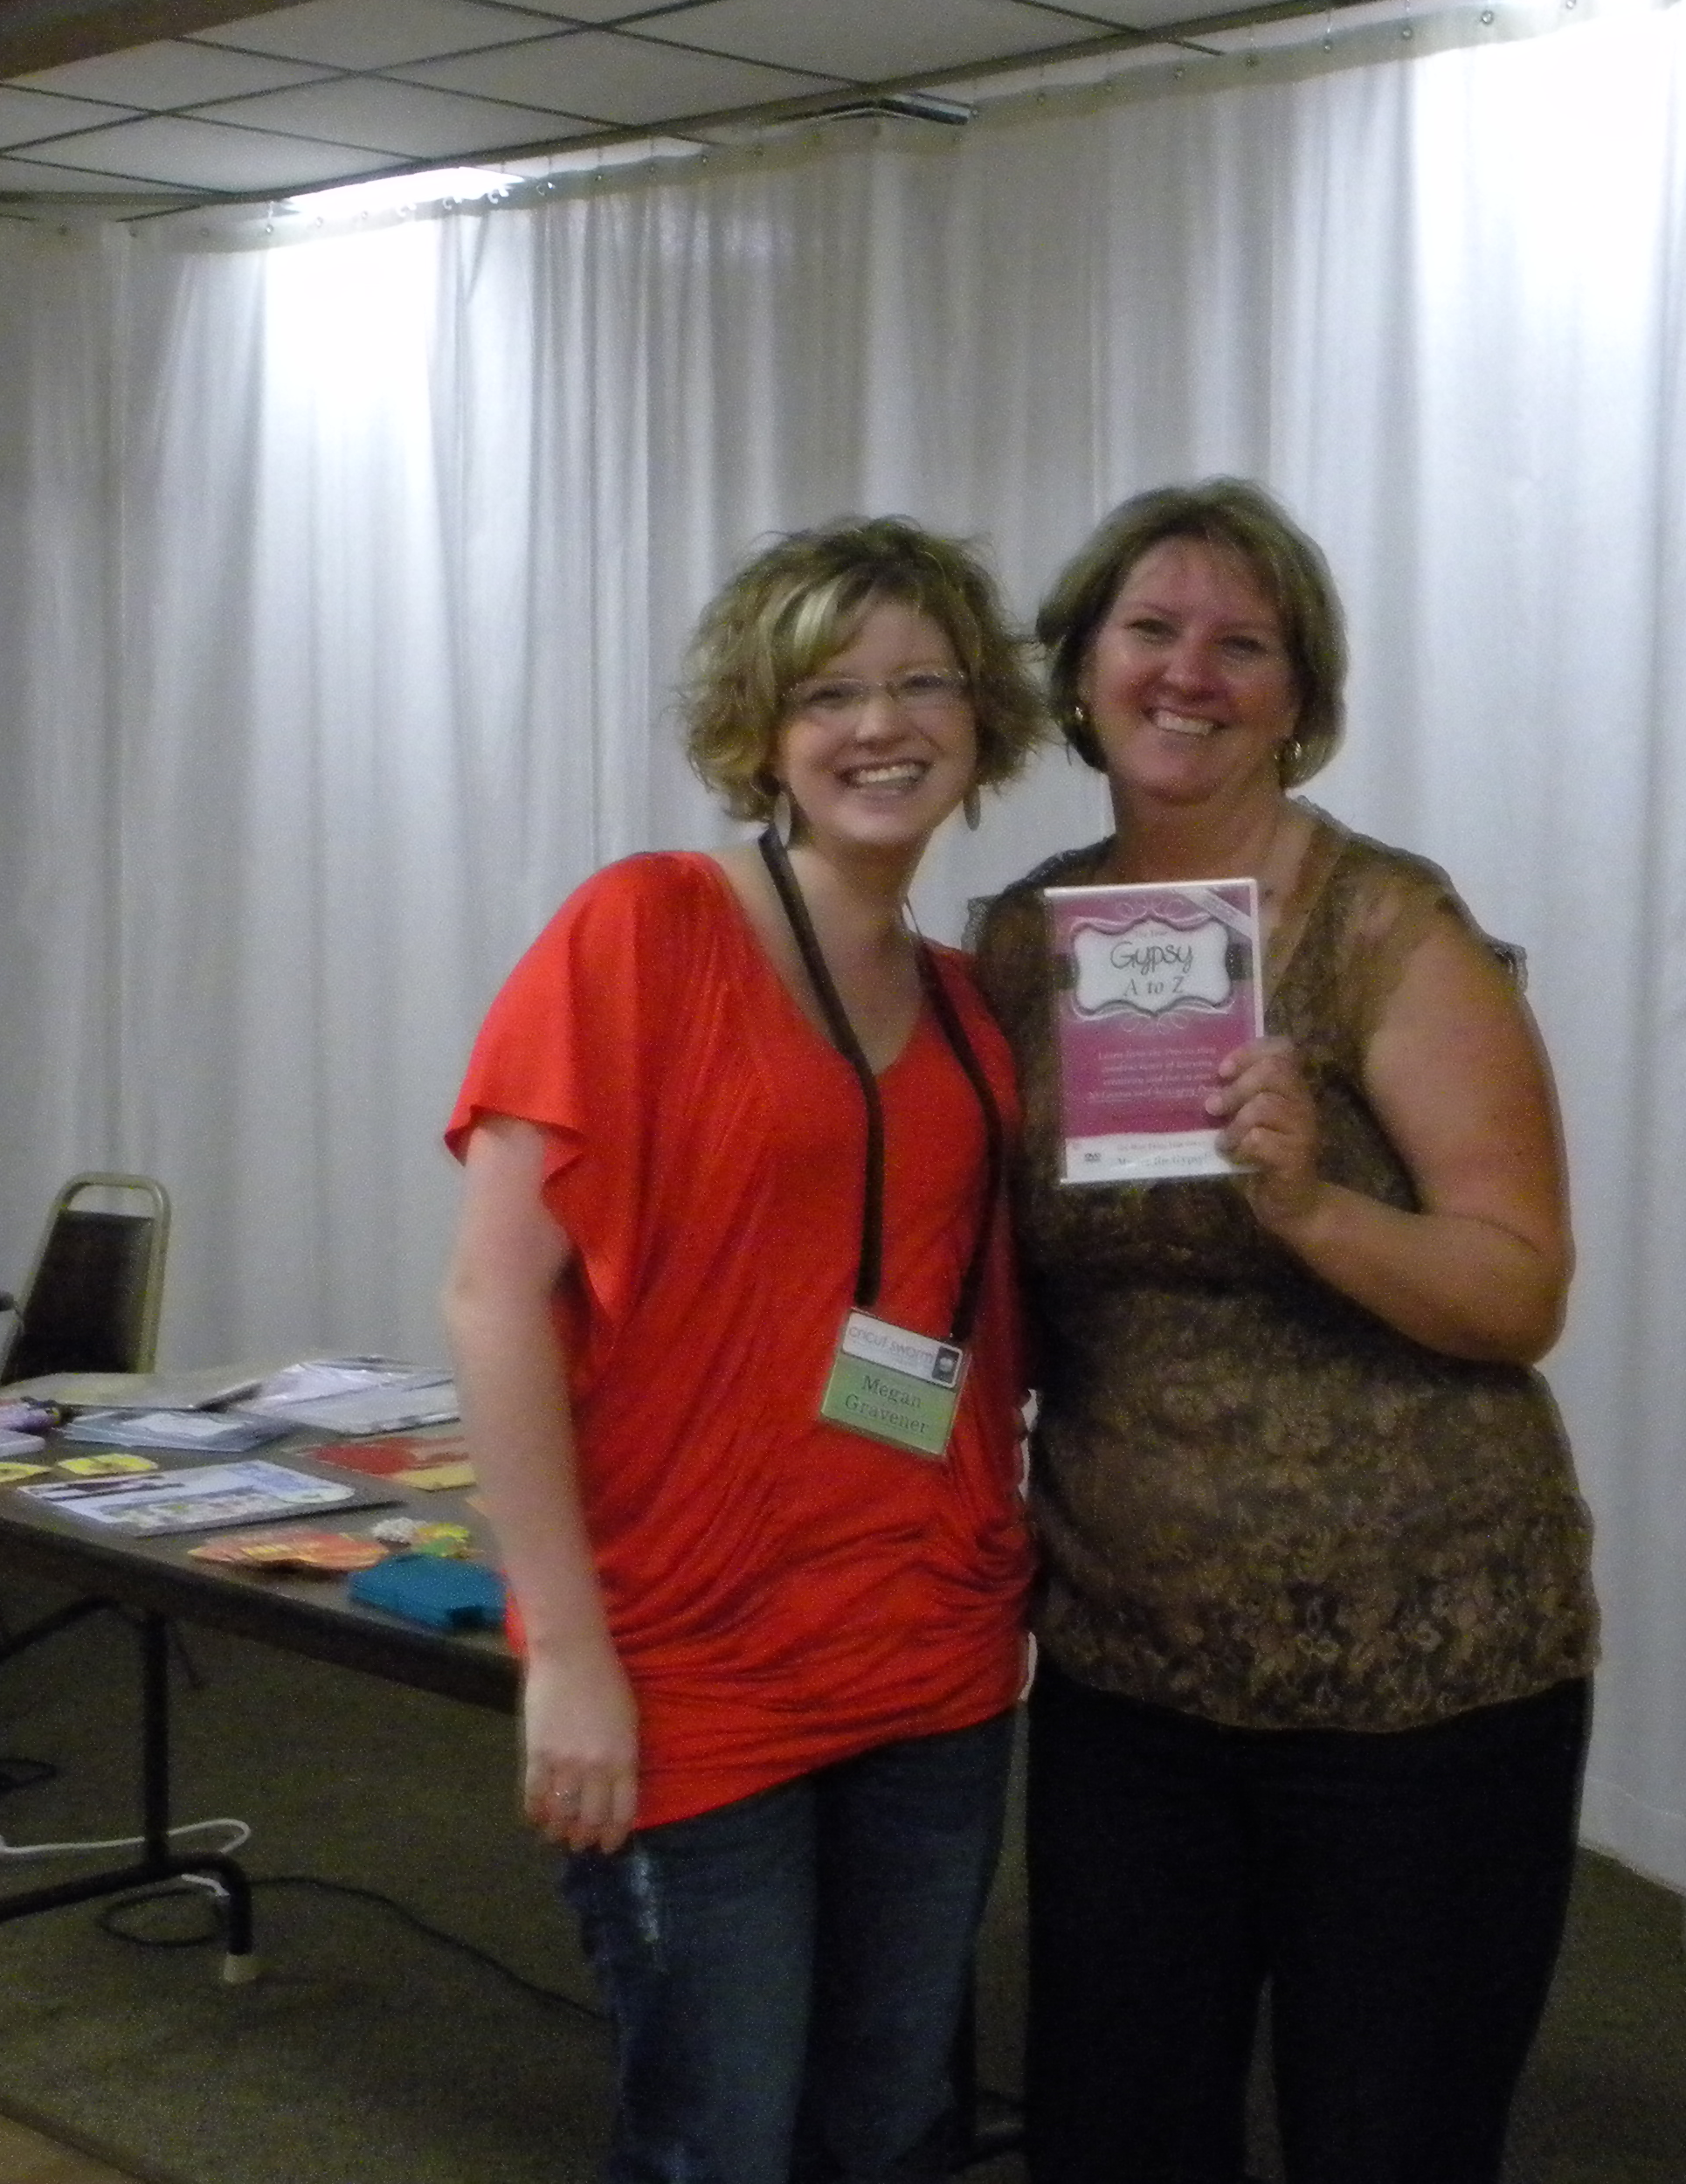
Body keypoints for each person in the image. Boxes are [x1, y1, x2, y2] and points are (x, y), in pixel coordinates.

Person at [970, 480, 1600, 2184]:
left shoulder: (1388, 926)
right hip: (1129, 1672)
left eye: (1241, 645)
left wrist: (1315, 1205)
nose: (1190, 674)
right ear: (1081, 669)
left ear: (1299, 698)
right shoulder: (1022, 942)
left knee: (1387, 2140)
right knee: (1117, 2139)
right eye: (1151, 631)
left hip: (1419, 1683)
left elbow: (1520, 1289)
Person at [441, 517, 1047, 2184]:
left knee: (892, 2125)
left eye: (925, 683)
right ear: (762, 733)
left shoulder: (971, 1002)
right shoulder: (644, 928)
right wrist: (568, 1652)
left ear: (982, 718)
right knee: (721, 2138)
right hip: (692, 1655)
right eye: (829, 692)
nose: (882, 725)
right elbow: (492, 1298)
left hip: (929, 1646)